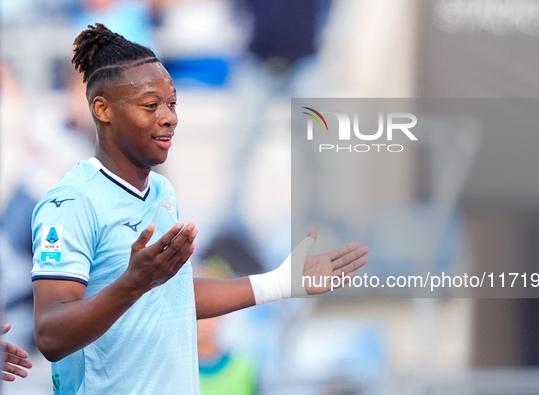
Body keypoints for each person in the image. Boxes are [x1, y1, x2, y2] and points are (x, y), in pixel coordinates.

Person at [31, 23, 368, 395]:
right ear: (102, 109)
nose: (169, 117)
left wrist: (278, 283)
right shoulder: (72, 202)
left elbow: (170, 298)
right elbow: (50, 335)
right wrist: (133, 284)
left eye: (172, 103)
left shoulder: (161, 191)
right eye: (150, 105)